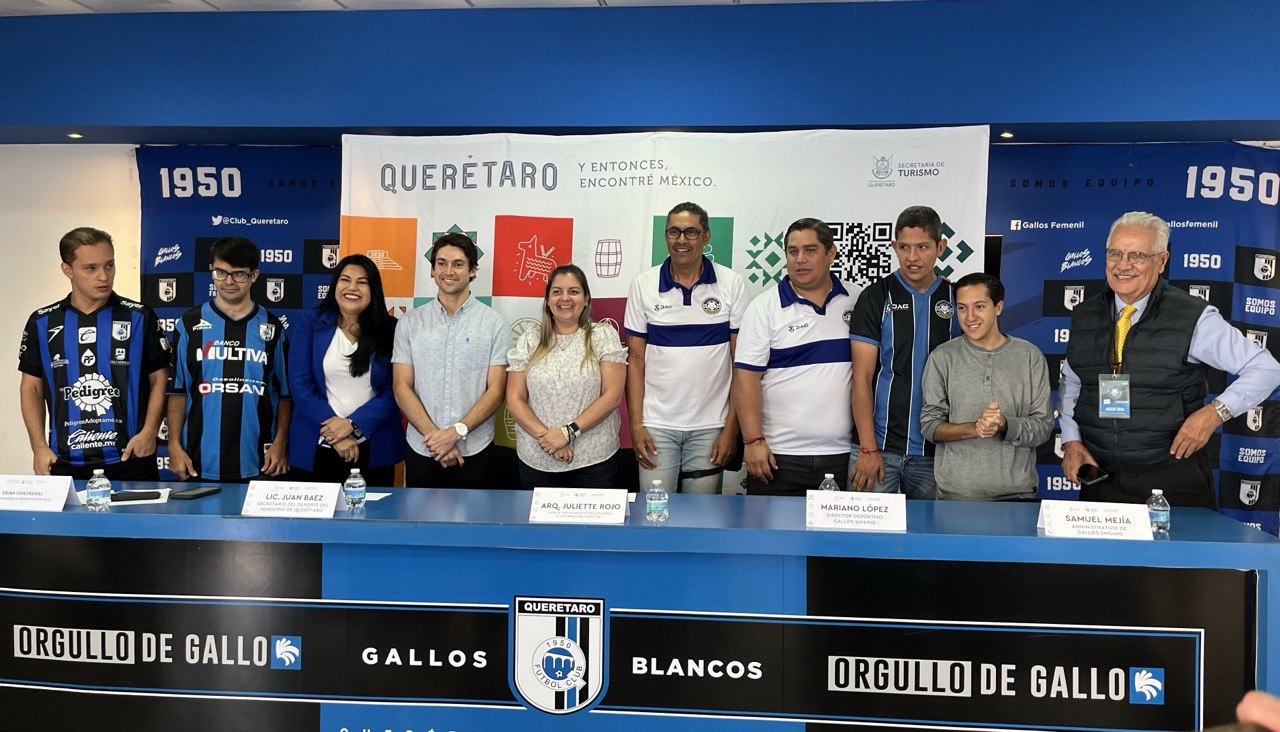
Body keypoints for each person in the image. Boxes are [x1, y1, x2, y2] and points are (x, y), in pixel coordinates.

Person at [1060, 211, 1280, 507]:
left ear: (1161, 261)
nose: (1123, 265)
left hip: (1172, 479)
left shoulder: (1193, 316)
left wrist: (1214, 414)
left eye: (1137, 255)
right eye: (1115, 253)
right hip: (1102, 480)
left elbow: (1266, 369)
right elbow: (1073, 382)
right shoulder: (1084, 315)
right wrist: (1071, 440)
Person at [19, 227, 168, 480]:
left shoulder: (139, 316)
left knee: (137, 522)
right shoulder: (42, 321)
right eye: (91, 268)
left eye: (109, 266)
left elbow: (160, 378)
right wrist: (38, 447)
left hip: (131, 458)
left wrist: (149, 432)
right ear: (68, 270)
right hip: (66, 461)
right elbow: (31, 388)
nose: (103, 276)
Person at [733, 218, 862, 495]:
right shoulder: (763, 307)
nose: (800, 260)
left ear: (831, 253)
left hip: (844, 456)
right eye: (793, 251)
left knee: (840, 540)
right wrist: (753, 441)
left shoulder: (859, 301)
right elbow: (745, 379)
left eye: (810, 250)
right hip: (778, 458)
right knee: (774, 540)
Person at [624, 202, 747, 494]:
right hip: (656, 426)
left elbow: (740, 364)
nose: (682, 240)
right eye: (674, 232)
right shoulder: (643, 285)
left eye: (691, 232)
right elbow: (636, 360)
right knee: (655, 515)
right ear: (665, 237)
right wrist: (637, 426)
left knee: (701, 520)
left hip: (711, 426)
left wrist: (731, 429)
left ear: (706, 237)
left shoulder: (732, 284)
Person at [849, 205, 960, 498]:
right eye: (904, 247)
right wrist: (867, 447)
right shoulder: (875, 296)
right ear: (894, 247)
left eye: (923, 247)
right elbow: (861, 377)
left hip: (937, 452)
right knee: (867, 541)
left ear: (941, 246)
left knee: (932, 540)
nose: (912, 257)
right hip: (879, 449)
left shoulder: (958, 299)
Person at [167, 236, 291, 482]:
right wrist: (173, 445)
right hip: (199, 459)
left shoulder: (272, 327)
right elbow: (177, 391)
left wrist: (280, 443)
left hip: (259, 460)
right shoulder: (189, 324)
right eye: (221, 272)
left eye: (239, 274)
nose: (229, 281)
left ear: (254, 276)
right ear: (212, 271)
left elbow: (285, 395)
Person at [920, 273, 1053, 500]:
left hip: (1017, 496)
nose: (970, 316)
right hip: (956, 496)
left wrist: (1003, 424)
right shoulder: (942, 357)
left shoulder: (1029, 356)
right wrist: (976, 428)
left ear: (998, 307)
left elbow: (1043, 428)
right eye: (962, 308)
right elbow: (930, 427)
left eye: (979, 306)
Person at [393, 233, 509, 488]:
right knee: (419, 527)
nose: (449, 271)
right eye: (442, 263)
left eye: (458, 264)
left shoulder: (494, 323)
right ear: (432, 271)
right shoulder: (409, 323)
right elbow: (401, 387)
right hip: (424, 448)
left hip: (475, 450)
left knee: (476, 526)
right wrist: (437, 439)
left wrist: (456, 433)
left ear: (473, 270)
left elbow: (497, 390)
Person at [506, 264, 626, 490]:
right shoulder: (529, 341)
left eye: (573, 291)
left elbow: (612, 396)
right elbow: (514, 399)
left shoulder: (603, 336)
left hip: (594, 462)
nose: (565, 298)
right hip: (537, 459)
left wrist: (567, 433)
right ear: (548, 299)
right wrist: (550, 439)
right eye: (557, 291)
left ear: (586, 298)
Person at [288, 254, 403, 486]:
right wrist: (335, 433)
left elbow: (396, 389)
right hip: (316, 443)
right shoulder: (309, 322)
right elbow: (300, 384)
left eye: (362, 282)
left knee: (372, 519)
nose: (352, 288)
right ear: (335, 285)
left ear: (374, 289)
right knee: (315, 522)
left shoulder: (391, 328)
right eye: (345, 280)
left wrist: (351, 424)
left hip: (373, 445)